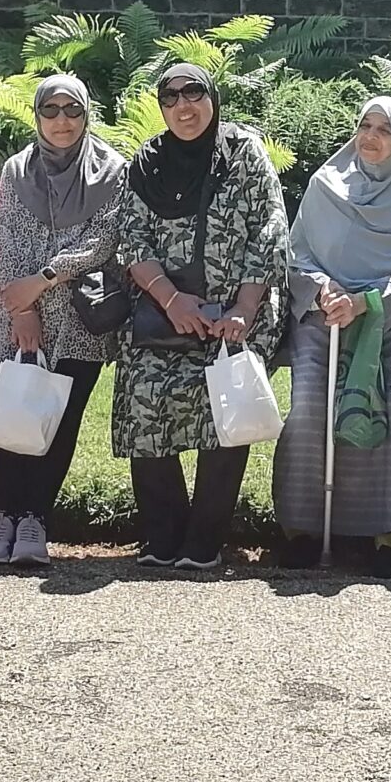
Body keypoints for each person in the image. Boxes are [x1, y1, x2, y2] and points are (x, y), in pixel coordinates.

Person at [112, 61, 290, 570]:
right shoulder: (148, 162)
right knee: (144, 400)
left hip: (238, 311)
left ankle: (204, 541)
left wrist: (244, 309)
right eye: (170, 97)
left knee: (226, 410)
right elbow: (131, 239)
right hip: (164, 309)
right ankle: (162, 536)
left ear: (212, 97)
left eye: (193, 93)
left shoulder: (243, 153)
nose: (183, 106)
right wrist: (172, 300)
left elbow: (270, 231)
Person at [275, 95, 391, 577]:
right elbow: (298, 254)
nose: (371, 137)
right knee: (310, 402)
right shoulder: (325, 184)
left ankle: (389, 537)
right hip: (323, 315)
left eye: (385, 130)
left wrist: (366, 302)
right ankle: (301, 531)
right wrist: (324, 290)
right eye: (366, 125)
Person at [0, 74, 127, 569]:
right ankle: (2, 517)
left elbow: (104, 239)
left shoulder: (112, 172)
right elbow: (5, 238)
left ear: (87, 114)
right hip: (14, 317)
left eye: (72, 110)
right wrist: (24, 310)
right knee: (8, 415)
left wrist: (45, 278)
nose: (62, 120)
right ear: (37, 116)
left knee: (59, 420)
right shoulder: (17, 170)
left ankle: (36, 518)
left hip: (77, 320)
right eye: (51, 110)